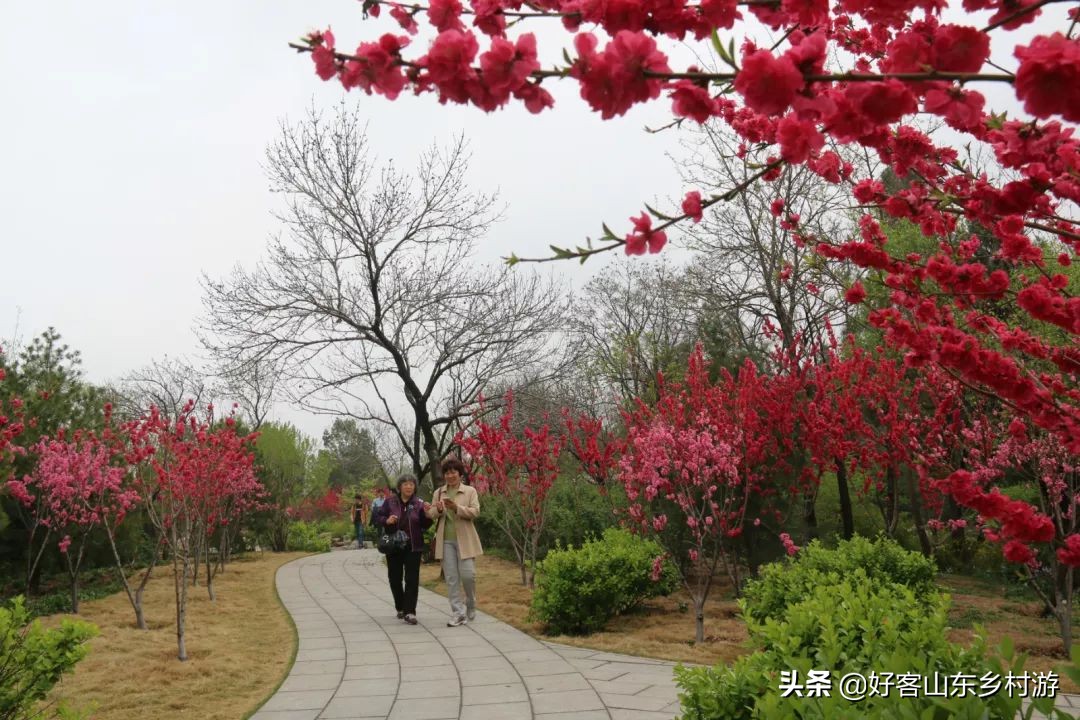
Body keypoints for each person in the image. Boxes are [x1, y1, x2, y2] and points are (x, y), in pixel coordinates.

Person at [427, 458, 483, 627]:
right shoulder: (439, 492)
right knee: (451, 578)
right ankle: (458, 613)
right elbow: (431, 514)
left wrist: (456, 508)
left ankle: (471, 602)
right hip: (445, 541)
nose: (450, 476)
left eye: (453, 472)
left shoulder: (470, 491)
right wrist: (438, 509)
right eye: (447, 473)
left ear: (460, 474)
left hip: (465, 540)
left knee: (468, 575)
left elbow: (475, 512)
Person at [373, 475, 432, 625]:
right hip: (394, 546)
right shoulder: (390, 502)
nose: (408, 487)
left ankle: (410, 611)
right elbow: (377, 517)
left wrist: (427, 514)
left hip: (413, 546)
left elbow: (425, 525)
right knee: (394, 578)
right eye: (405, 484)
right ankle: (400, 606)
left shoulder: (419, 503)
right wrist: (386, 520)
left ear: (415, 487)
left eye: (411, 484)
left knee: (412, 579)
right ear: (399, 487)